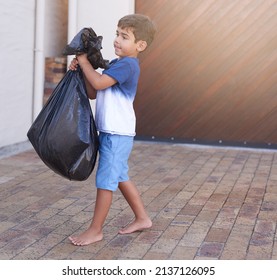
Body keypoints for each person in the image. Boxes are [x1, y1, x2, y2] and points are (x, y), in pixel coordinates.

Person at [68, 14, 156, 246]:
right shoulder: (117, 64)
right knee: (119, 176)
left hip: (117, 132)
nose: (117, 39)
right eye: (117, 34)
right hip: (111, 131)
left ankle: (95, 230)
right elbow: (94, 91)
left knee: (106, 180)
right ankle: (142, 218)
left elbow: (98, 83)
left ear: (140, 45)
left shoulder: (128, 65)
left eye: (124, 36)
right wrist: (81, 70)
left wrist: (84, 61)